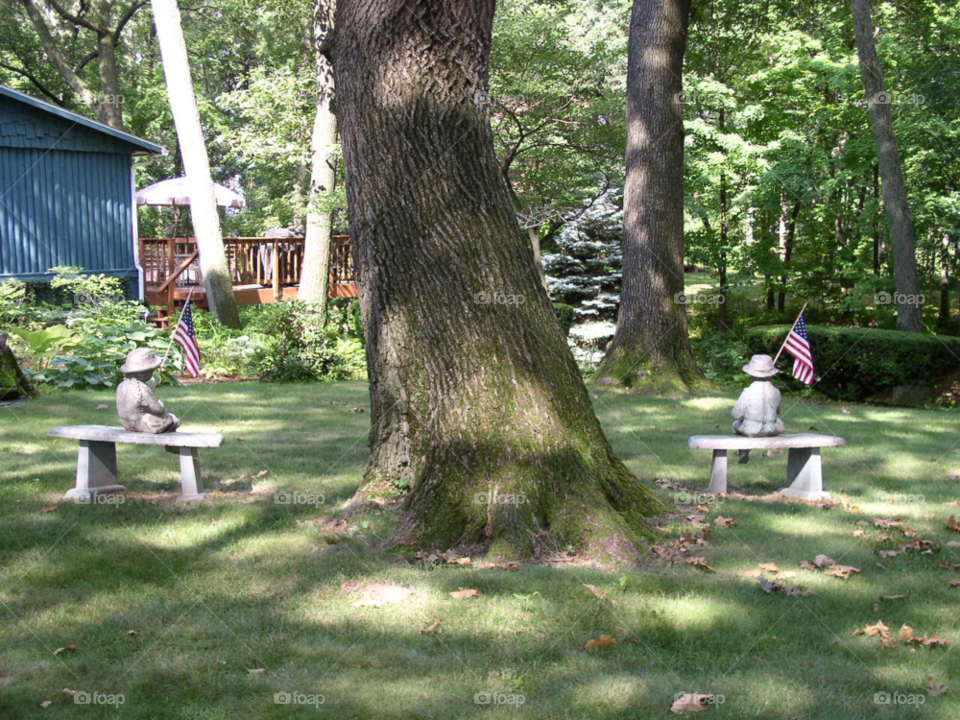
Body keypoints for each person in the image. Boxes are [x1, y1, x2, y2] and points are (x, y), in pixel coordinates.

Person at [731, 354, 784, 463]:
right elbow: (777, 411)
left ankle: (744, 450)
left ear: (750, 374)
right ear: (771, 374)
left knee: (736, 424)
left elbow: (737, 414)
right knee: (780, 423)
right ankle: (745, 451)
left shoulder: (747, 392)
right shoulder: (776, 391)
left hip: (751, 429)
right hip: (772, 429)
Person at [116, 348, 180, 434]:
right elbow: (158, 409)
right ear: (146, 372)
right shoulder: (142, 388)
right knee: (174, 419)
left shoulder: (121, 386)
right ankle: (172, 444)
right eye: (151, 371)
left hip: (127, 423)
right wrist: (160, 403)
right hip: (145, 425)